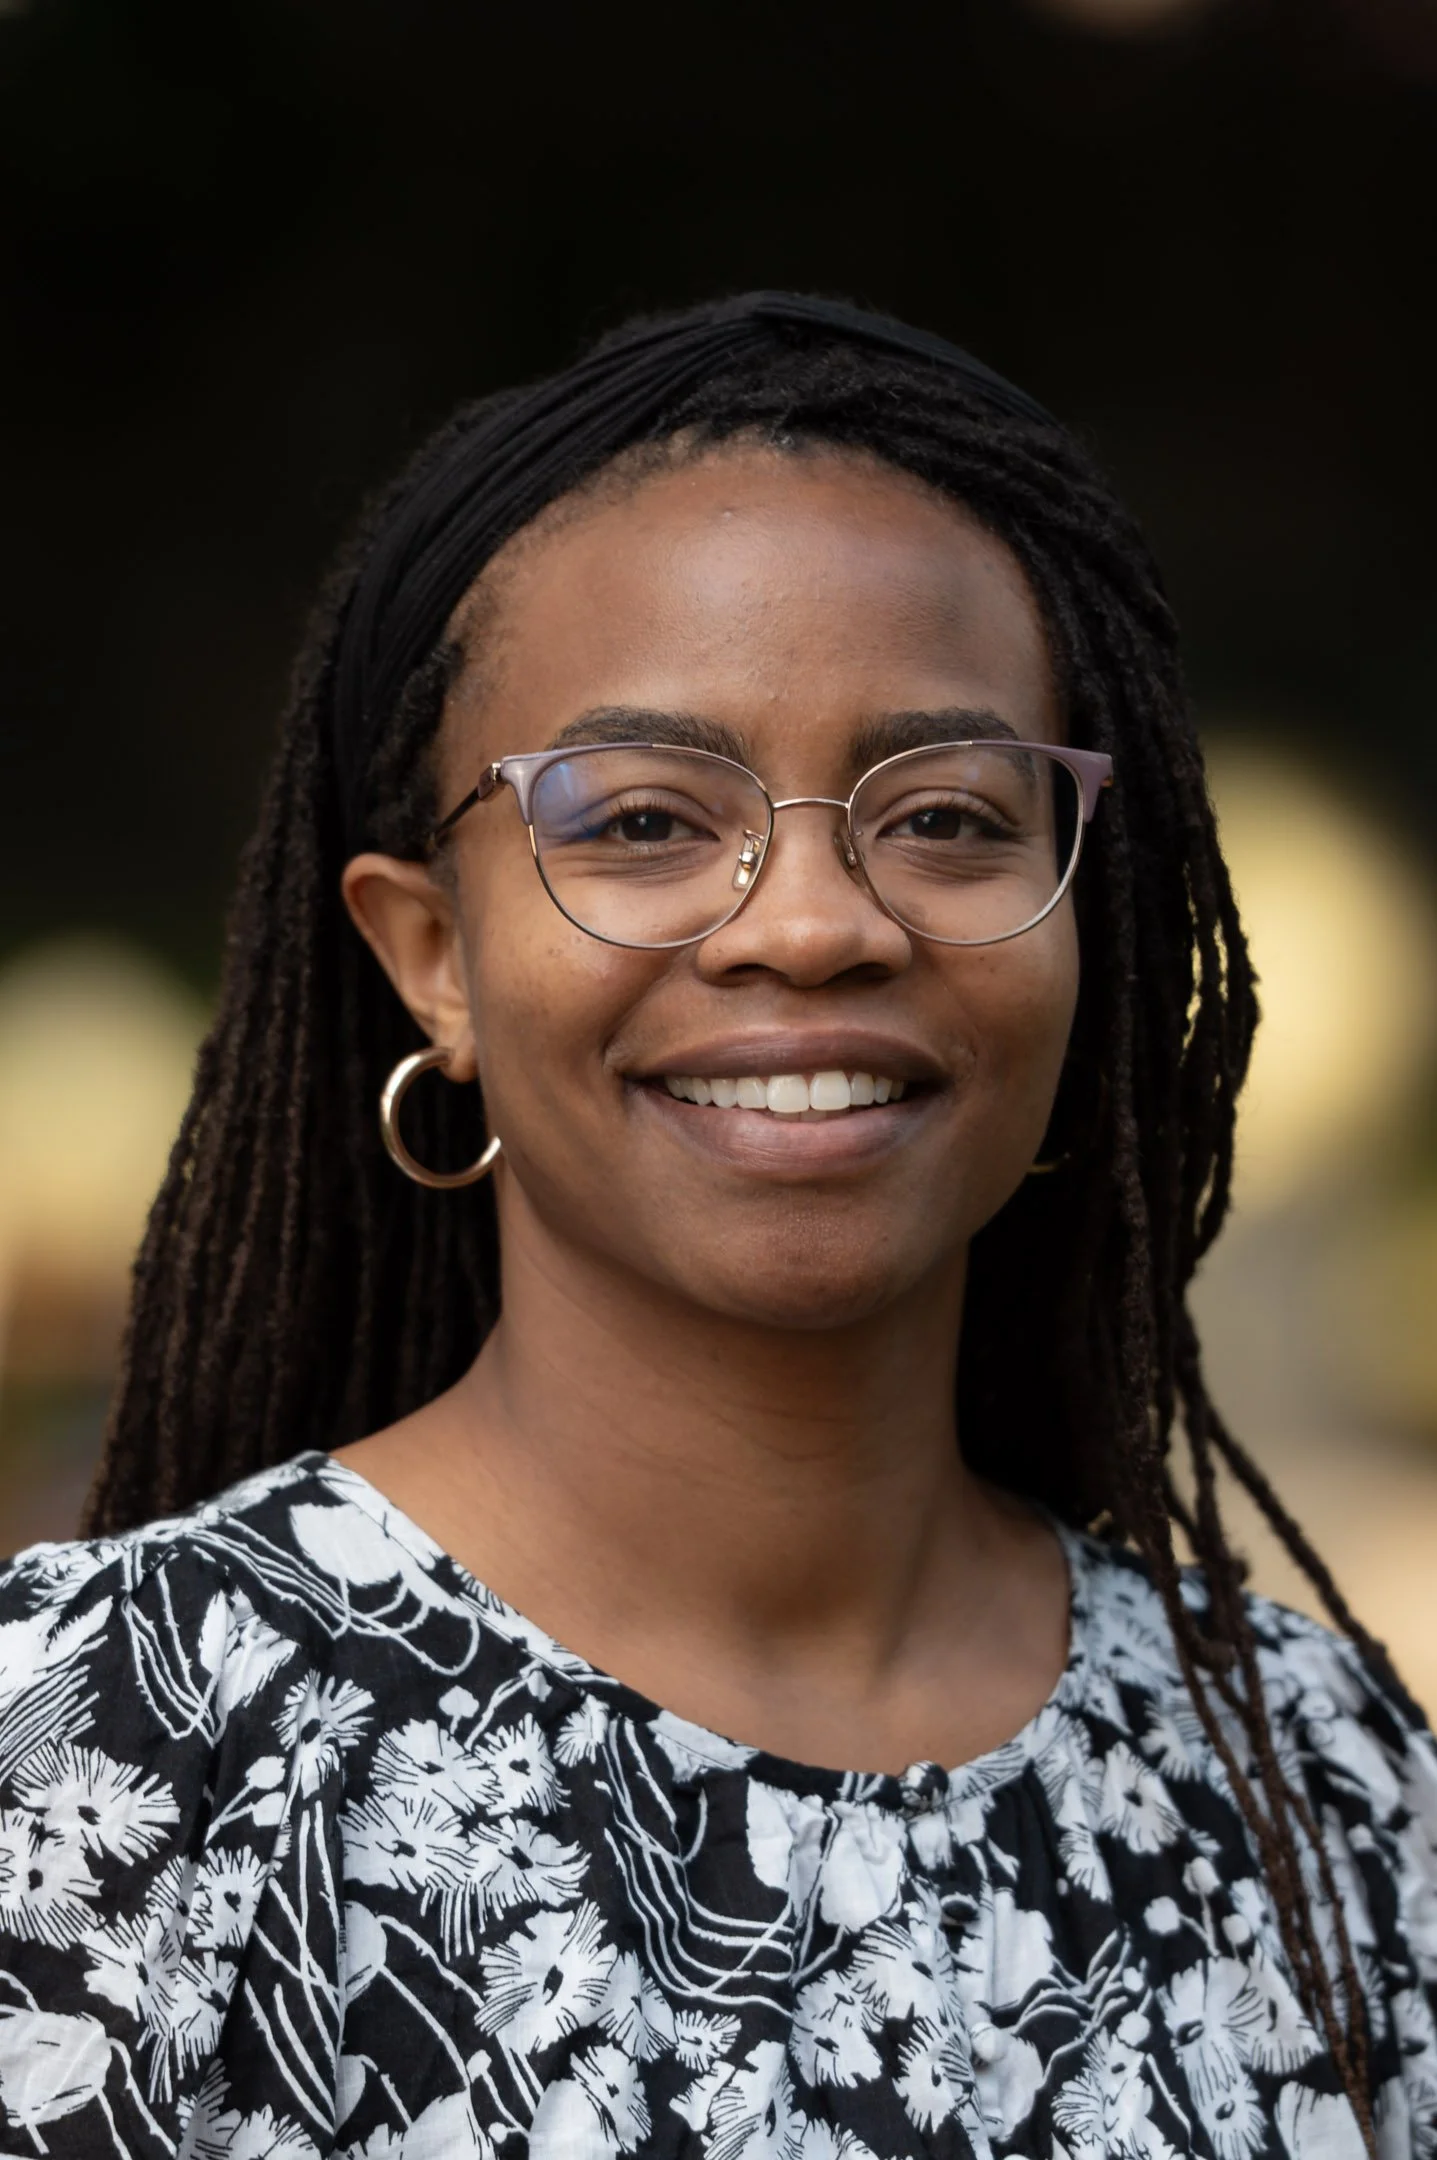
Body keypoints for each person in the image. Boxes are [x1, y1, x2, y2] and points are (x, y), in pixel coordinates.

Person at [0, 294, 1431, 2160]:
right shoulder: (104, 1761)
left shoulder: (1323, 1786)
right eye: (647, 820)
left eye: (944, 817)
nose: (814, 922)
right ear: (430, 956)